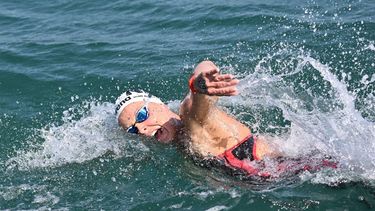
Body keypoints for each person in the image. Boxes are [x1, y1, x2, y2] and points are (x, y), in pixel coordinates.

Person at [115, 61, 335, 178]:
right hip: (290, 170)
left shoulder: (189, 119)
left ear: (159, 104)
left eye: (142, 116)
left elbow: (197, 97)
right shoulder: (180, 138)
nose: (142, 130)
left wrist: (200, 83)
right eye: (133, 130)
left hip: (305, 169)